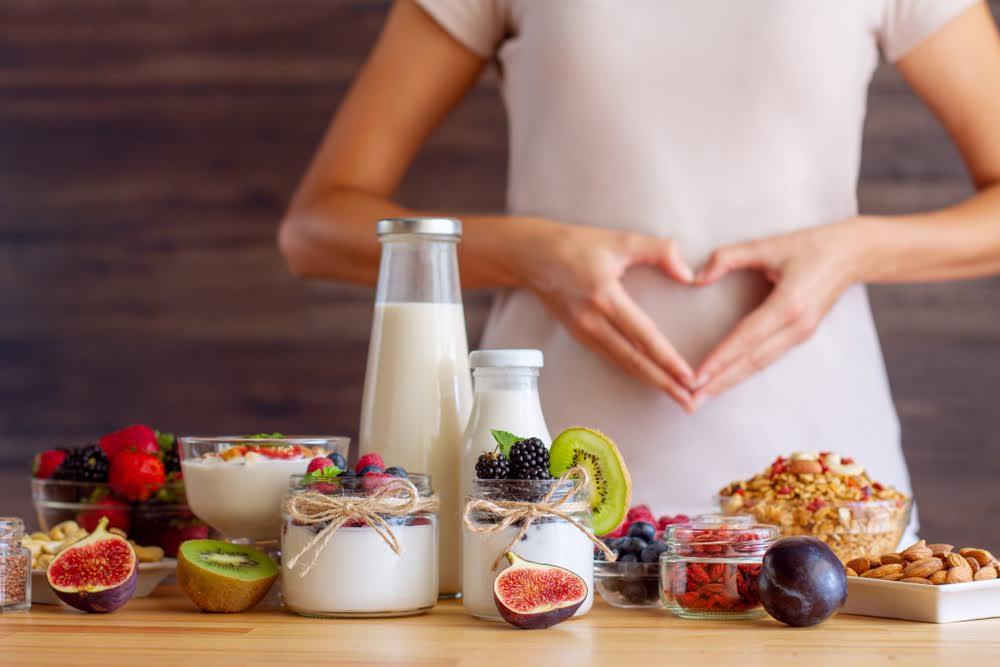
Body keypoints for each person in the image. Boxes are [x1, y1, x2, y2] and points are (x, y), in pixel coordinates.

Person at [278, 0, 1000, 524]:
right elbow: (316, 226)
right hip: (541, 506)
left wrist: (852, 250)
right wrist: (533, 253)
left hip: (831, 506)